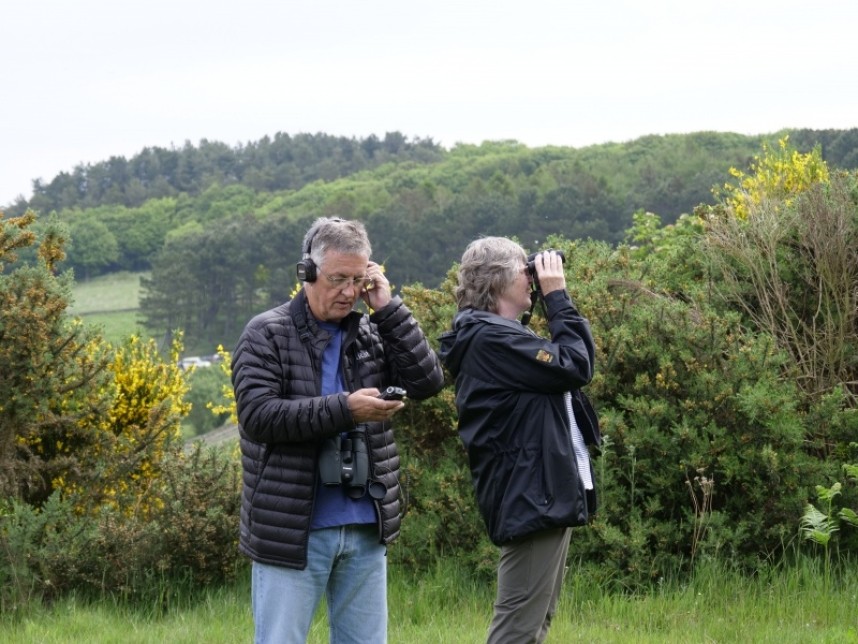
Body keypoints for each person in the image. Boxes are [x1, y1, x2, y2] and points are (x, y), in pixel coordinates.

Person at [231, 216, 444, 644]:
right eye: (338, 279)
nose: (349, 292)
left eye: (358, 279)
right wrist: (346, 410)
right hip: (292, 528)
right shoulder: (265, 333)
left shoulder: (370, 331)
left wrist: (387, 308)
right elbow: (259, 416)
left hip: (365, 524)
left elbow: (427, 382)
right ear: (307, 273)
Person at [438, 237, 600, 644]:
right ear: (496, 281)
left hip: (538, 490)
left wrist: (550, 299)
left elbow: (567, 366)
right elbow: (575, 365)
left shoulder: (500, 335)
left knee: (533, 624)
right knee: (518, 630)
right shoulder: (491, 339)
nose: (532, 278)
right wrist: (556, 297)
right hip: (531, 494)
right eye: (523, 271)